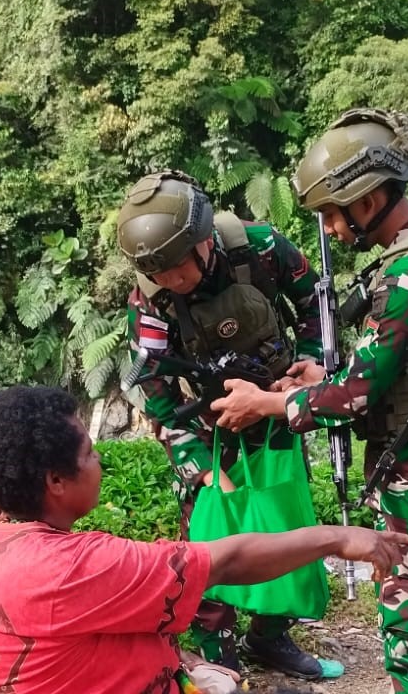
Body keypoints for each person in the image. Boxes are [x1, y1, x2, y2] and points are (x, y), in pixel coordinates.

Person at [212, 108, 408, 694]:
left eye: (330, 213)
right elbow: (398, 377)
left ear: (367, 202)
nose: (331, 229)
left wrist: (268, 404)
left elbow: (353, 399)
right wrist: (322, 375)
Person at [0, 385, 408, 694]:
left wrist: (185, 662)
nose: (100, 460)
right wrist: (337, 537)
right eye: (90, 453)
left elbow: (92, 630)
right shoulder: (70, 566)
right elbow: (226, 562)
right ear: (56, 481)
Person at [115, 169, 339, 679]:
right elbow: (152, 384)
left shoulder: (259, 248)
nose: (171, 280)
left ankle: (271, 635)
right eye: (159, 273)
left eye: (178, 268)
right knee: (208, 536)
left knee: (281, 522)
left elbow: (315, 306)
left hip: (276, 407)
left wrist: (310, 365)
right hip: (209, 426)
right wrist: (196, 465)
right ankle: (217, 650)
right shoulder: (150, 297)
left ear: (202, 241)